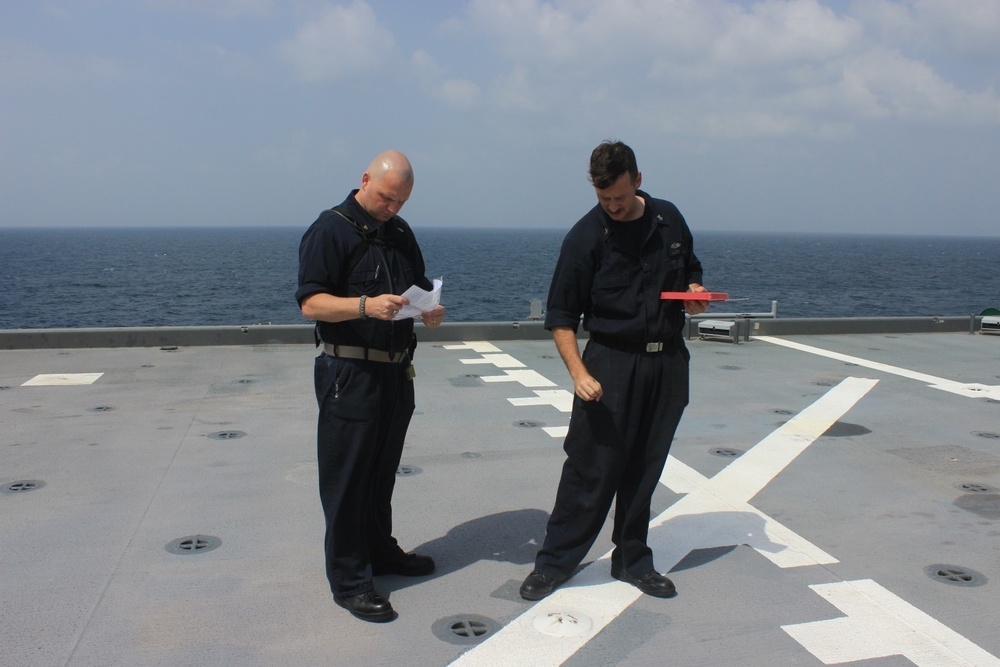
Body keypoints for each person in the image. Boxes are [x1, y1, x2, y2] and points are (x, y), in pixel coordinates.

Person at [520, 140, 708, 602]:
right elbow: (561, 318)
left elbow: (691, 277)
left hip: (666, 362)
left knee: (646, 467)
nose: (613, 207)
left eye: (620, 198)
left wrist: (697, 294)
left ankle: (632, 560)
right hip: (610, 364)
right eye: (604, 199)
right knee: (590, 468)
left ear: (638, 181)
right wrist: (579, 373)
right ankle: (554, 563)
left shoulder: (670, 220)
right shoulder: (584, 237)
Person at [296, 150, 446, 623]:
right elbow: (311, 303)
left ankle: (380, 552)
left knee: (382, 473)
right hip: (350, 374)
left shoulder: (399, 232)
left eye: (401, 201)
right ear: (364, 180)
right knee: (346, 480)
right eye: (386, 198)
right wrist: (363, 307)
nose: (392, 209)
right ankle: (349, 581)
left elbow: (417, 285)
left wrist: (429, 310)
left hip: (395, 371)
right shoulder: (330, 229)